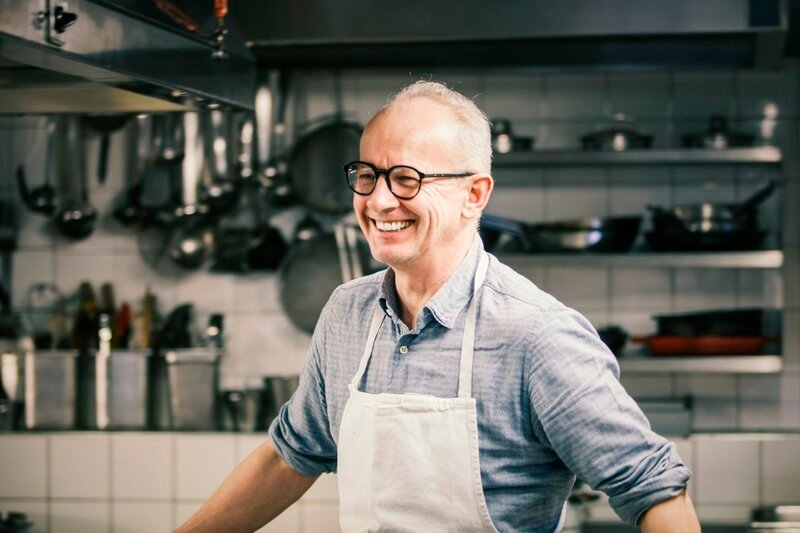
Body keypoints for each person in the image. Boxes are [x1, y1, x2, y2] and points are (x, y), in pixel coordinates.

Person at [176, 81, 700, 533]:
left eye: (407, 178)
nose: (379, 201)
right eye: (367, 175)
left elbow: (653, 489)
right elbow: (290, 455)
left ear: (475, 194)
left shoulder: (537, 335)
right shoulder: (346, 313)